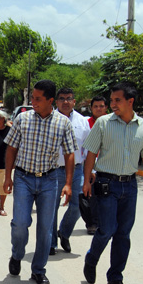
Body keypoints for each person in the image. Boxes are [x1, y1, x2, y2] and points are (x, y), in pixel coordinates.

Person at [82, 82, 143, 284]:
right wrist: (87, 180)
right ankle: (92, 258)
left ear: (130, 101)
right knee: (106, 229)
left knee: (123, 233)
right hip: (106, 183)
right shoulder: (103, 123)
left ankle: (115, 277)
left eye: (117, 100)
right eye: (111, 100)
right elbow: (90, 152)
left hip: (130, 185)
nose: (112, 104)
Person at [3, 79, 77, 284]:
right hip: (24, 178)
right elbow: (11, 149)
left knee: (45, 228)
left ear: (50, 100)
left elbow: (70, 153)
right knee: (20, 223)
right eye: (32, 98)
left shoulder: (63, 123)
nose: (33, 102)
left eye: (37, 98)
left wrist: (68, 183)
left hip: (49, 180)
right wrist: (8, 176)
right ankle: (17, 255)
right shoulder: (22, 119)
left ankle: (38, 270)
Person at [50, 88, 91, 254]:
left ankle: (64, 233)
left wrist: (90, 172)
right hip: (54, 170)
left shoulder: (83, 122)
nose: (65, 102)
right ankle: (51, 243)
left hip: (77, 171)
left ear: (74, 101)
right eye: (62, 99)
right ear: (56, 102)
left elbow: (88, 150)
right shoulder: (49, 120)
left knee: (78, 207)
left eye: (69, 98)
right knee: (51, 208)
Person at [82, 96, 108, 234]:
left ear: (106, 108)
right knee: (90, 196)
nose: (99, 108)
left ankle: (103, 222)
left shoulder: (111, 123)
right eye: (96, 106)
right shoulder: (86, 123)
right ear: (91, 108)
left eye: (101, 106)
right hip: (90, 164)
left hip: (105, 165)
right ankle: (92, 223)